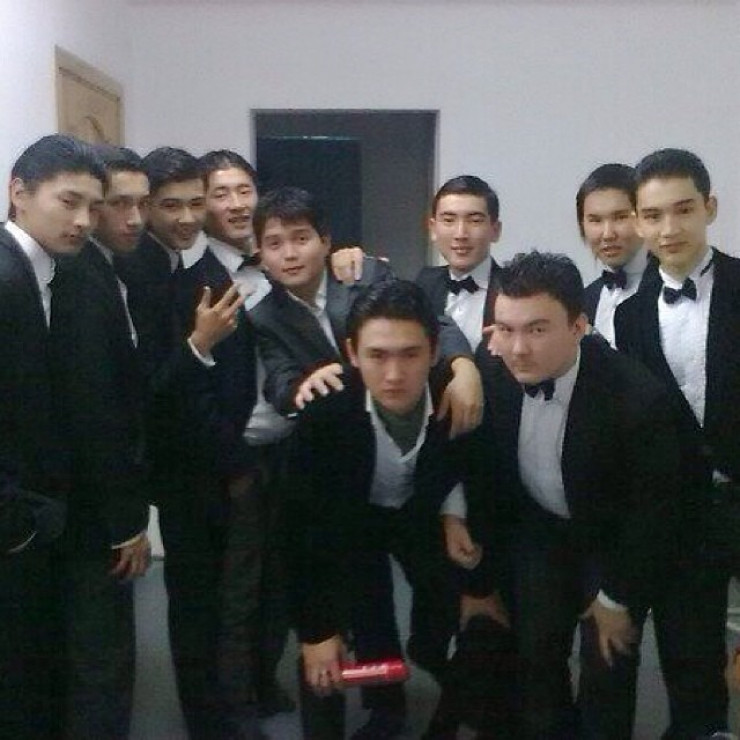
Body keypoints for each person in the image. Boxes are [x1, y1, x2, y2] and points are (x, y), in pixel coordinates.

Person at [465, 251, 680, 738]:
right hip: (541, 530)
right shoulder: (492, 368)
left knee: (608, 662)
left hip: (614, 539)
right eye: (505, 328)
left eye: (537, 329)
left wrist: (616, 597)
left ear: (579, 326)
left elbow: (653, 512)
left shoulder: (636, 398)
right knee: (536, 655)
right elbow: (477, 464)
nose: (518, 348)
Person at [284, 279, 492, 740]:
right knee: (363, 611)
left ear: (434, 352)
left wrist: (454, 514)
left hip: (420, 513)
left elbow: (469, 466)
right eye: (377, 355)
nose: (394, 374)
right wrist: (316, 634)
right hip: (350, 520)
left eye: (410, 354)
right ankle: (385, 707)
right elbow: (299, 532)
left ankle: (429, 654)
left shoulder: (458, 397)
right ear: (352, 353)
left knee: (448, 601)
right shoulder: (324, 411)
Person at [615, 148, 740, 739]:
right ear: (638, 221)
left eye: (683, 209)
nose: (669, 228)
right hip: (684, 514)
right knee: (692, 662)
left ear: (709, 208)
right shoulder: (630, 316)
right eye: (653, 214)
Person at [120, 146, 243, 740]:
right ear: (147, 207)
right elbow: (146, 393)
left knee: (219, 596)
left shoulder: (194, 267)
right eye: (171, 206)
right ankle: (207, 721)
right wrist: (199, 344)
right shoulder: (136, 274)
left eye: (197, 202)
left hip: (214, 462)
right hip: (175, 470)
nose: (189, 217)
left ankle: (220, 708)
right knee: (194, 601)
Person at [49, 143, 153, 738]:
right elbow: (95, 410)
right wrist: (125, 522)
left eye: (141, 203)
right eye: (117, 204)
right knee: (100, 658)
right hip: (92, 512)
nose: (133, 219)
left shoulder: (113, 266)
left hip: (90, 500)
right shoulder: (79, 277)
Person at [0, 133, 102, 739]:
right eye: (69, 202)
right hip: (16, 522)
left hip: (40, 518)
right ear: (19, 192)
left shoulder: (54, 273)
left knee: (38, 670)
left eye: (92, 206)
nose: (84, 220)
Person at [416, 174, 502, 352]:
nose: (460, 234)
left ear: (495, 230)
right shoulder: (423, 284)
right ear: (433, 229)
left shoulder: (515, 290)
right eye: (449, 220)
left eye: (475, 221)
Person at [577, 163, 657, 347]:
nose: (608, 234)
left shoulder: (674, 288)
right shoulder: (584, 301)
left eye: (620, 217)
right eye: (595, 220)